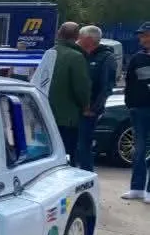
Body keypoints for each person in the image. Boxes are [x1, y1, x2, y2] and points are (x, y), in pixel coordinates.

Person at [48, 22, 91, 167]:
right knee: (67, 154)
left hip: (47, 114)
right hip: (68, 116)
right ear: (77, 36)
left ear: (58, 34)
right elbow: (81, 87)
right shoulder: (76, 57)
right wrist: (85, 106)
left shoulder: (49, 53)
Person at [76, 25, 117, 172]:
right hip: (76, 109)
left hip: (89, 111)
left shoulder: (107, 58)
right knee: (74, 146)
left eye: (80, 38)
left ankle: (86, 174)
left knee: (84, 146)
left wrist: (93, 109)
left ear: (88, 39)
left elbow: (106, 87)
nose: (77, 41)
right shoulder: (80, 55)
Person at [121, 21, 150, 202]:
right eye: (141, 36)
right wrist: (130, 104)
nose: (142, 39)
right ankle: (137, 188)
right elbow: (129, 83)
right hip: (139, 109)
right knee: (139, 149)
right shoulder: (137, 58)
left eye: (145, 35)